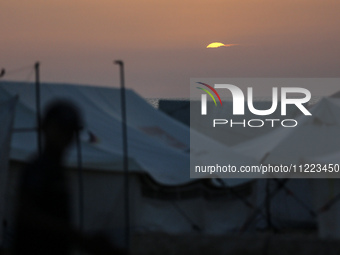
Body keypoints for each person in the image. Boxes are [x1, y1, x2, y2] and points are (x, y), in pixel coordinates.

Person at [12, 99, 125, 255]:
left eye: (69, 131)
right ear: (45, 128)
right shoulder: (39, 169)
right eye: (61, 129)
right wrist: (73, 234)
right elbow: (27, 213)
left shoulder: (57, 172)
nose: (65, 137)